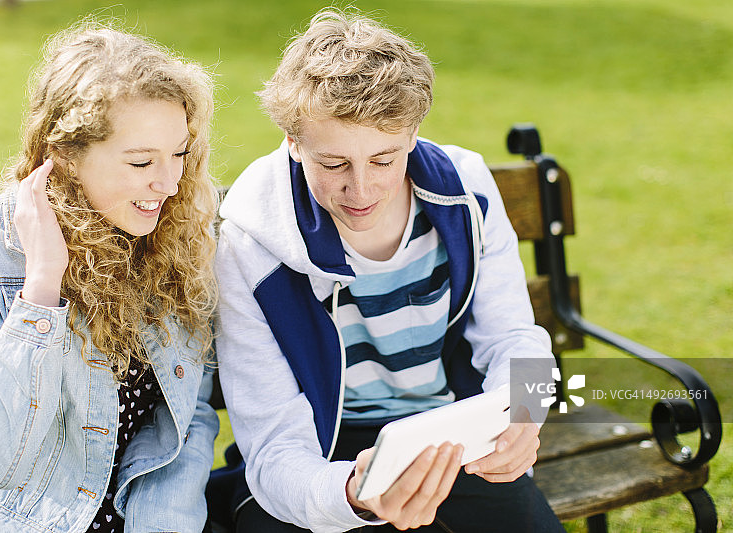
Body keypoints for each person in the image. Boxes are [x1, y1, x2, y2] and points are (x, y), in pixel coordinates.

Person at [211, 8, 564, 533]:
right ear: (292, 141)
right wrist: (351, 496)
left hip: (451, 435)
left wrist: (526, 411)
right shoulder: (248, 241)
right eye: (333, 163)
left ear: (414, 132)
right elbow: (274, 448)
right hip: (321, 458)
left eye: (383, 159)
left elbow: (517, 335)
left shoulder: (467, 193)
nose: (361, 190)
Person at [0, 23, 220, 533]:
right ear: (64, 156)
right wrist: (41, 289)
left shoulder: (180, 234)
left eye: (178, 153)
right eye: (140, 161)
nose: (170, 182)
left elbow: (186, 419)